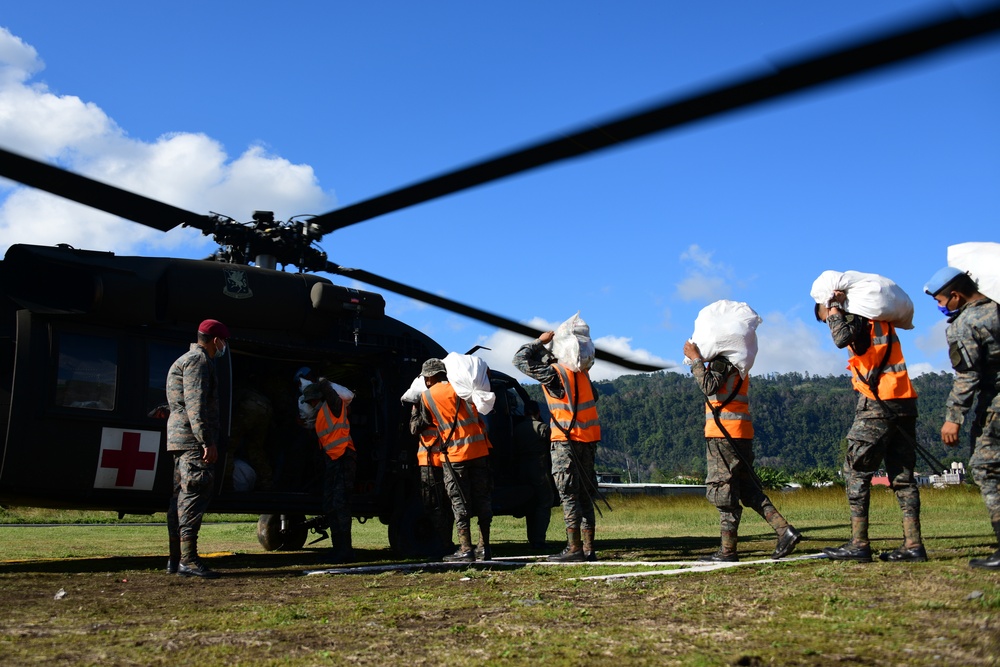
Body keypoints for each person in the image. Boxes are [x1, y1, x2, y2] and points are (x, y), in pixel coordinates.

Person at [816, 291, 925, 562]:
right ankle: (913, 544)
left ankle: (859, 543)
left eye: (822, 315)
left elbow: (841, 338)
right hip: (904, 401)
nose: (826, 321)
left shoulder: (854, 319)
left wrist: (833, 310)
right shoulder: (879, 321)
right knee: (903, 477)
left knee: (856, 471)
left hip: (878, 405)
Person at [683, 341, 801, 562]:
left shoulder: (721, 362)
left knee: (723, 489)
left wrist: (695, 359)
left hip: (723, 434)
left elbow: (709, 387)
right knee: (748, 489)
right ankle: (784, 530)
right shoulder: (739, 365)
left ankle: (728, 550)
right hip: (740, 433)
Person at [924, 266, 1000, 570]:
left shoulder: (965, 323)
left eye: (942, 300)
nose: (942, 307)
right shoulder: (996, 309)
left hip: (995, 401)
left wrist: (954, 417)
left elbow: (967, 375)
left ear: (955, 295)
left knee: (986, 467)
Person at [513, 331, 600, 562]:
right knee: (585, 495)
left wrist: (538, 342)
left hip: (566, 442)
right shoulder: (582, 375)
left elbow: (519, 360)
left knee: (569, 494)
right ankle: (589, 548)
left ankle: (574, 548)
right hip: (588, 441)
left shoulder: (554, 375)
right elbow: (594, 397)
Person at [411, 358, 493, 562]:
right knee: (482, 499)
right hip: (479, 450)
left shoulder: (427, 396)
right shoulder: (462, 387)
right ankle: (485, 547)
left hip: (455, 454)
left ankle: (465, 548)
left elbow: (420, 424)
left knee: (458, 501)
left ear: (429, 377)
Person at [166, 318, 229, 579]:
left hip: (181, 440)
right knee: (193, 496)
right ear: (216, 340)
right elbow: (196, 406)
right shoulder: (199, 362)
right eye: (224, 341)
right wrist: (207, 442)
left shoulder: (184, 360)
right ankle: (188, 560)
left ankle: (175, 560)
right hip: (193, 442)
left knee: (180, 500)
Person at [302, 379, 356, 563]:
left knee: (340, 505)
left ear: (318, 398)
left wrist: (322, 381)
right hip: (333, 462)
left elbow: (332, 395)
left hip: (343, 459)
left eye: (311, 401)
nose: (309, 404)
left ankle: (345, 550)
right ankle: (338, 548)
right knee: (331, 506)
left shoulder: (333, 406)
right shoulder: (320, 416)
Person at [406, 382, 453, 556]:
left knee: (433, 505)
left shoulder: (425, 407)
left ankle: (441, 544)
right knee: (445, 505)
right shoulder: (446, 403)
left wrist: (416, 410)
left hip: (431, 462)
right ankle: (445, 542)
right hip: (446, 460)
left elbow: (414, 428)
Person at [513, 400, 554, 549]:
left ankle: (532, 537)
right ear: (537, 412)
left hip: (521, 468)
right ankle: (538, 539)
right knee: (544, 502)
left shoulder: (517, 429)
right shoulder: (542, 428)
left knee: (530, 503)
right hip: (539, 468)